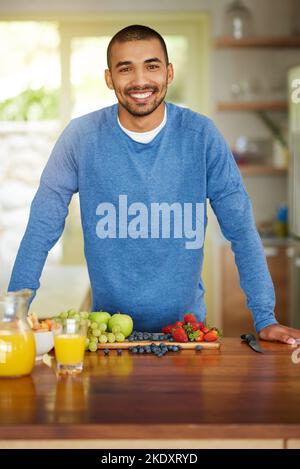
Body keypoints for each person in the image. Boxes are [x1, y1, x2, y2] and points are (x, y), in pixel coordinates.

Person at [8, 24, 300, 344]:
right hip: (107, 335)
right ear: (109, 78)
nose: (140, 81)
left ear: (169, 72)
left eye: (151, 66)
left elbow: (241, 229)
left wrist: (264, 316)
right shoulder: (80, 138)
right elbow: (42, 225)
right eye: (125, 69)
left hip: (187, 335)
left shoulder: (202, 136)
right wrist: (15, 315)